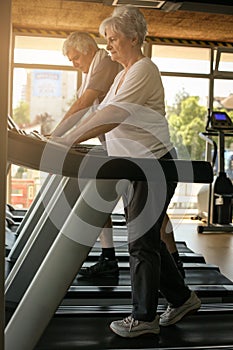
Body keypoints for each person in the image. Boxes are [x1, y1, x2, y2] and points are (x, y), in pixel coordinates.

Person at [51, 5, 200, 338]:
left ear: (134, 37)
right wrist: (64, 138)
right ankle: (183, 298)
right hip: (136, 167)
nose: (108, 46)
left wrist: (68, 139)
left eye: (113, 38)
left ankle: (144, 317)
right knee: (148, 240)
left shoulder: (143, 69)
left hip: (153, 167)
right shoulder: (121, 74)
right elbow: (98, 116)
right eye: (106, 39)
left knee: (141, 241)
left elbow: (113, 115)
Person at [55, 31, 185, 279]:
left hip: (140, 153)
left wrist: (60, 135)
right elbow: (93, 111)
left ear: (88, 50)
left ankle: (173, 263)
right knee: (121, 204)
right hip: (119, 150)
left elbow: (84, 104)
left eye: (75, 58)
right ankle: (110, 257)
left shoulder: (103, 62)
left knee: (150, 216)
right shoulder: (97, 69)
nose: (74, 64)